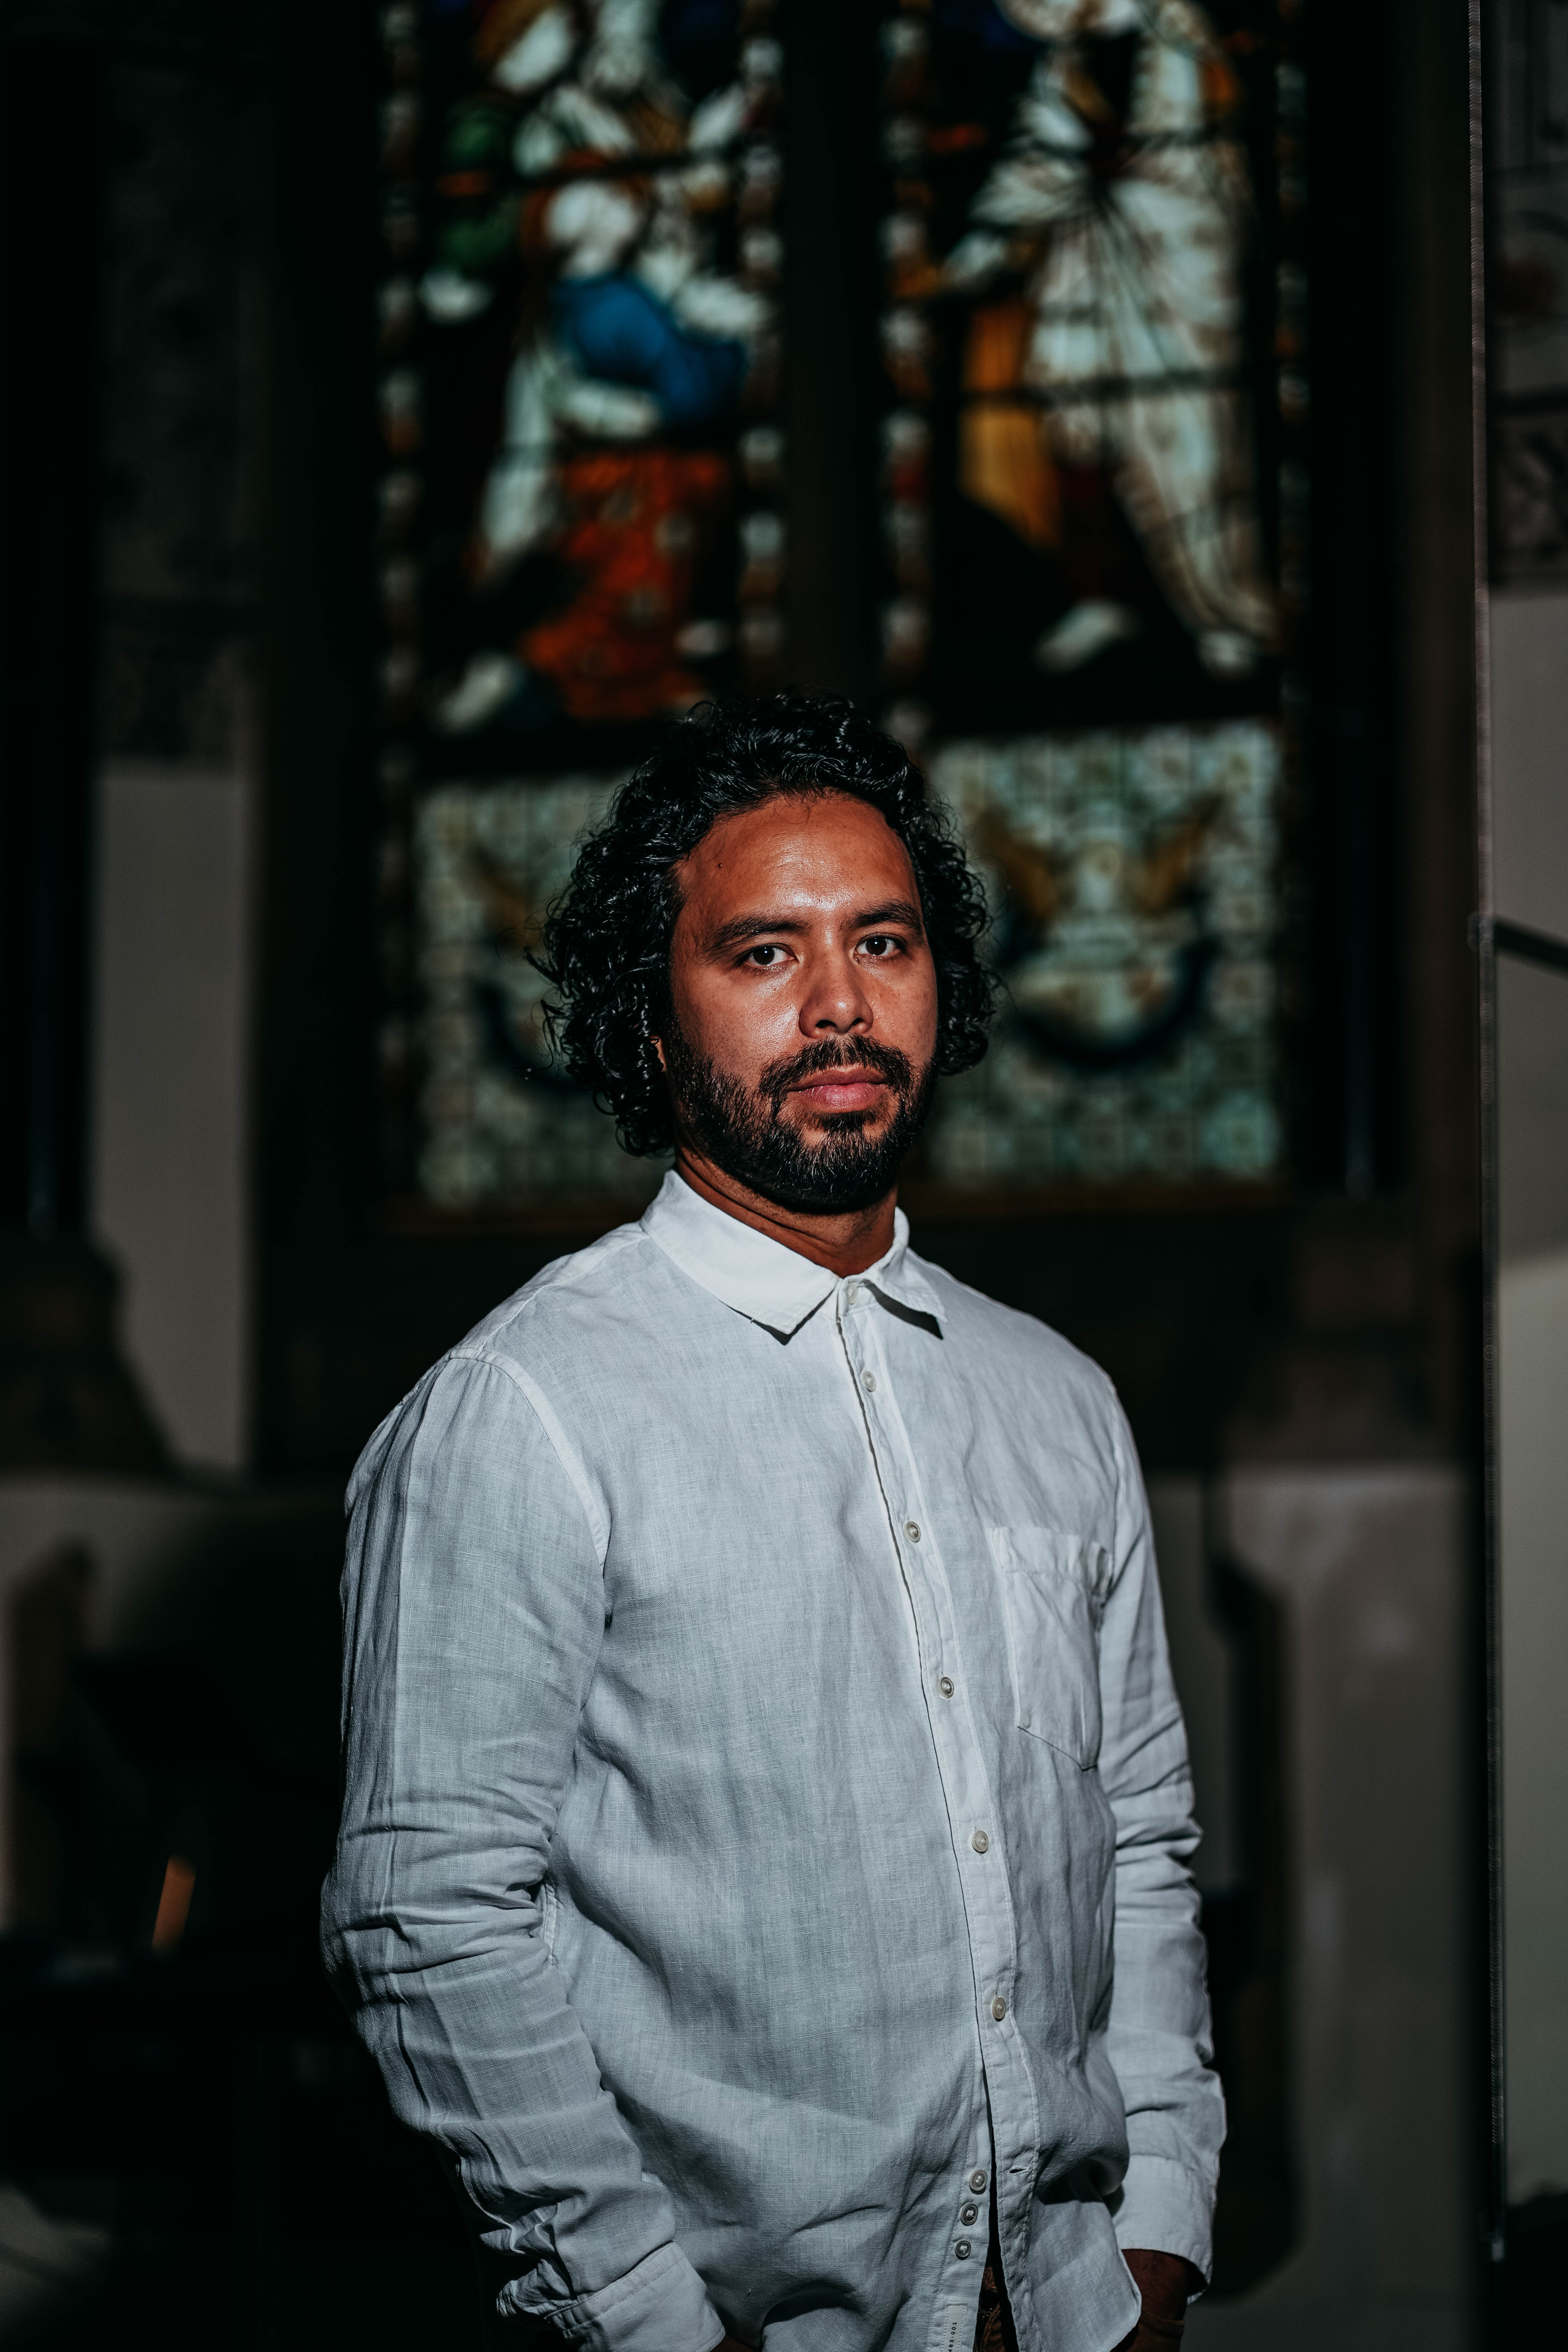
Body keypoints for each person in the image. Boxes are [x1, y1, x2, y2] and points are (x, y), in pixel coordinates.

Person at [321, 695, 1222, 2352]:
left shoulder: (1056, 1400)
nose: (837, 1007)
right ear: (651, 1023)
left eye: (882, 941)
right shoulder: (523, 1411)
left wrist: (1157, 2223)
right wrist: (645, 2316)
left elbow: (1143, 1848)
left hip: (1075, 2312)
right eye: (761, 954)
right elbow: (427, 1914)